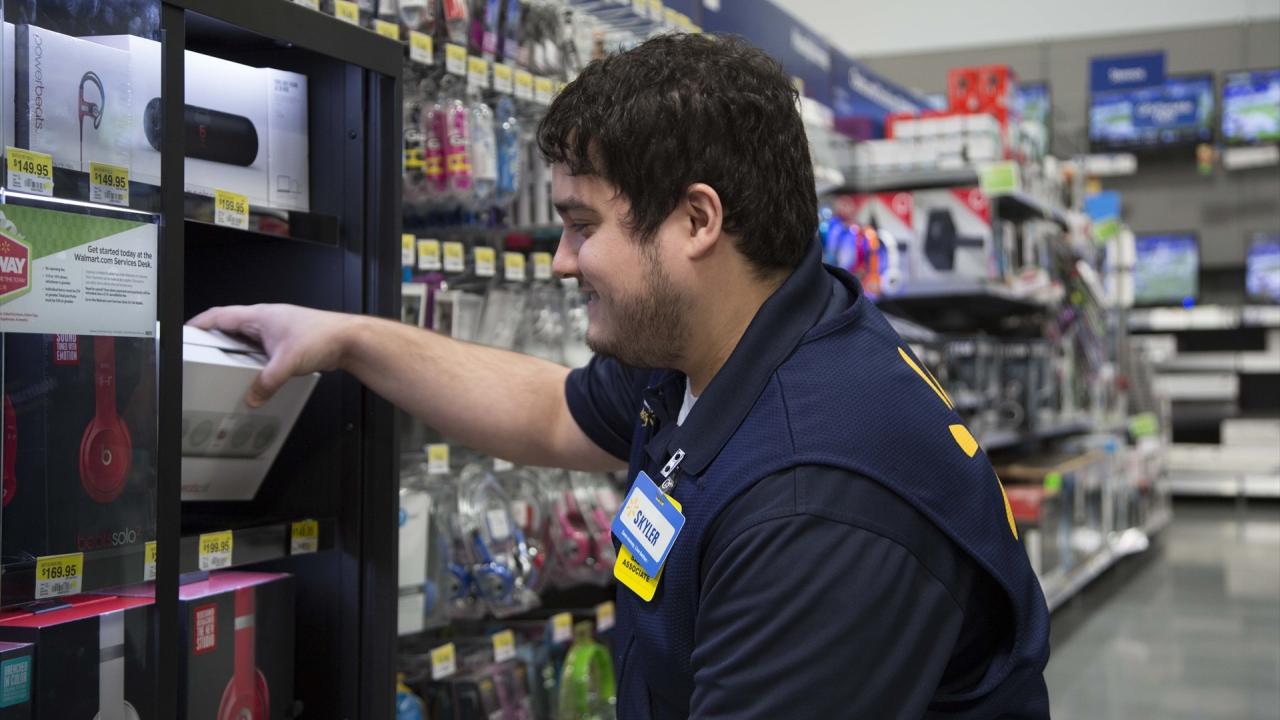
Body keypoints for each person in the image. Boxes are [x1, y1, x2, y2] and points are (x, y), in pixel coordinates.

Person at [192, 33, 1050, 719]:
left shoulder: (815, 503)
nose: (562, 260)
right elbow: (547, 411)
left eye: (580, 224)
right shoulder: (724, 344)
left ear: (696, 219)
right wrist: (344, 337)